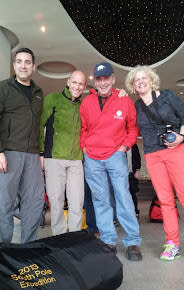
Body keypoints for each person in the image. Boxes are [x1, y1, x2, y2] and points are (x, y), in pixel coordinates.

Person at [126, 65, 184, 267]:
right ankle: (172, 244)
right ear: (133, 86)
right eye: (136, 80)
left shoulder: (168, 96)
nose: (141, 81)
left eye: (143, 78)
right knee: (165, 201)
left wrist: (180, 137)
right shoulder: (136, 106)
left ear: (151, 80)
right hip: (153, 156)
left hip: (176, 151)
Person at [80, 62, 142, 261]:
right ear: (95, 81)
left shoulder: (124, 101)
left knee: (123, 197)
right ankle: (108, 240)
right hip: (92, 159)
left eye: (106, 78)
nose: (103, 82)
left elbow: (133, 128)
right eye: (99, 79)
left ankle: (133, 241)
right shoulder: (86, 103)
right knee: (101, 200)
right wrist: (85, 147)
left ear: (113, 79)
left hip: (115, 155)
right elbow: (83, 129)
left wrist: (124, 146)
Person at [0, 47, 44, 244]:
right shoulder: (1, 89)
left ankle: (28, 248)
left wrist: (41, 152)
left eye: (27, 62)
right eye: (19, 61)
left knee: (34, 204)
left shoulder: (38, 93)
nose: (23, 65)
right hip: (8, 154)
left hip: (33, 156)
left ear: (33, 67)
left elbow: (38, 125)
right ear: (14, 65)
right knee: (3, 203)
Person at [39, 71, 86, 235]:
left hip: (76, 160)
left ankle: (74, 237)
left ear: (84, 86)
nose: (77, 86)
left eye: (81, 84)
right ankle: (59, 236)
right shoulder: (52, 99)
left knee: (77, 201)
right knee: (56, 200)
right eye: (74, 82)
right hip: (54, 158)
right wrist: (41, 153)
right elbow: (40, 125)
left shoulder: (83, 105)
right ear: (68, 82)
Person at [127, 144, 141, 218]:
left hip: (132, 172)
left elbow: (138, 158)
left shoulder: (133, 145)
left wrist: (137, 171)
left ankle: (135, 211)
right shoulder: (118, 143)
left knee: (133, 193)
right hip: (120, 173)